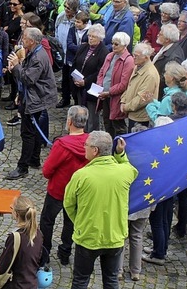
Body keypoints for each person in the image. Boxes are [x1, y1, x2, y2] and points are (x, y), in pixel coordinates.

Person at [63, 131, 138, 289]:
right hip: (114, 237)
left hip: (88, 236)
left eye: (87, 145)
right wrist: (120, 153)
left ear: (95, 150)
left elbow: (69, 204)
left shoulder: (81, 175)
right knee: (111, 280)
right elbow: (129, 167)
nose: (84, 147)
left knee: (80, 280)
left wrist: (80, 221)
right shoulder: (124, 172)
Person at [5, 27, 57, 179]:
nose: (22, 40)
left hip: (36, 98)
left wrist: (16, 66)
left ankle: (23, 167)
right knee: (33, 130)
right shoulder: (35, 52)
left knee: (27, 132)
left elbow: (28, 78)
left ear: (32, 41)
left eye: (25, 38)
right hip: (33, 96)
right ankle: (34, 159)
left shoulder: (38, 57)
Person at [40, 106, 89, 266]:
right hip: (79, 192)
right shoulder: (91, 142)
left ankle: (44, 253)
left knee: (47, 221)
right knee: (71, 222)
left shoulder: (62, 144)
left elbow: (47, 170)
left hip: (58, 190)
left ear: (69, 121)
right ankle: (65, 252)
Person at [0, 196, 44, 285]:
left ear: (16, 214)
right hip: (31, 283)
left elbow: (4, 265)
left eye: (11, 208)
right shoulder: (38, 234)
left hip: (16, 284)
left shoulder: (15, 237)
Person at [97, 32, 134, 137]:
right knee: (107, 122)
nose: (113, 46)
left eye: (116, 44)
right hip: (105, 95)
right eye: (112, 43)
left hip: (117, 98)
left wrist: (109, 92)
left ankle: (119, 147)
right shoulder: (110, 55)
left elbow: (124, 84)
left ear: (124, 45)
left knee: (118, 125)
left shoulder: (128, 60)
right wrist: (99, 85)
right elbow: (102, 72)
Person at [120, 42, 160, 128]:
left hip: (141, 117)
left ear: (146, 57)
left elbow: (142, 99)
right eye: (133, 55)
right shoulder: (138, 66)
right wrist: (123, 100)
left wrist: (125, 107)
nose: (133, 57)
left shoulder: (150, 75)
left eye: (136, 56)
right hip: (133, 113)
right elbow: (130, 85)